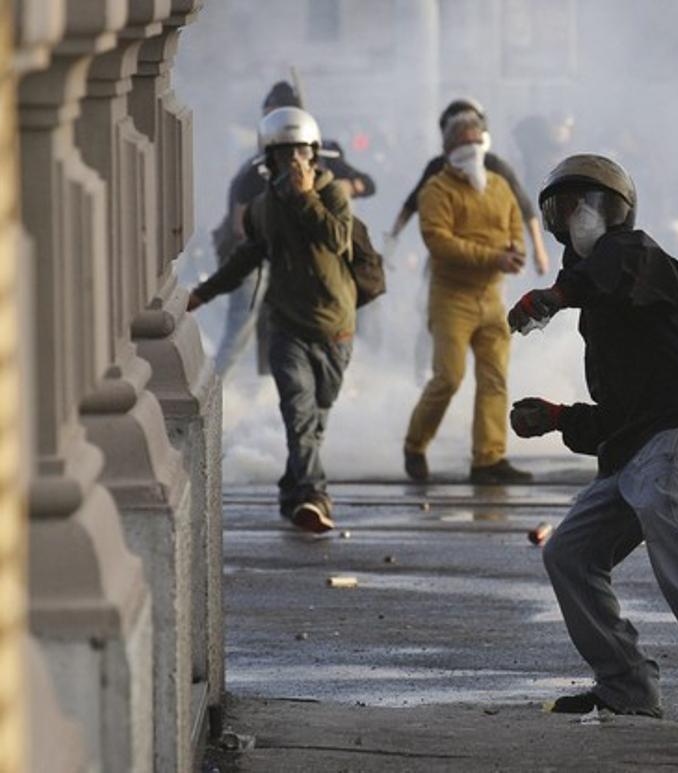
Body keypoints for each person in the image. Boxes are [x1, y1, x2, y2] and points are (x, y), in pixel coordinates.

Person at [506, 154, 678, 718]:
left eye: (584, 203)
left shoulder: (638, 257)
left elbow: (613, 267)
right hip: (642, 441)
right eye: (562, 207)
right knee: (569, 552)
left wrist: (554, 298)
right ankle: (626, 684)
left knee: (659, 496)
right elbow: (620, 417)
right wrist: (557, 417)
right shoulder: (601, 311)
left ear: (616, 210)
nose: (572, 217)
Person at [188, 107, 355, 534]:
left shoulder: (333, 194)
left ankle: (291, 490)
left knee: (315, 420)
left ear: (315, 154)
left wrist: (306, 197)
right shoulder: (263, 207)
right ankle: (316, 496)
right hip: (287, 330)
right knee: (298, 416)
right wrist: (203, 292)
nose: (294, 163)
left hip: (336, 327)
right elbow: (248, 256)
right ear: (270, 160)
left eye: (301, 153)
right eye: (284, 155)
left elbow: (336, 239)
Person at [211, 80, 375, 377]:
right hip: (263, 256)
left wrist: (338, 188)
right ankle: (218, 386)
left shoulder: (326, 155)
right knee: (246, 326)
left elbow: (367, 184)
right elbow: (239, 224)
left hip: (316, 255)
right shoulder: (258, 168)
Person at [402, 113, 533, 485]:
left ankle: (488, 459)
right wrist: (495, 257)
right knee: (449, 377)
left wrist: (515, 252)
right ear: (448, 148)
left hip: (493, 297)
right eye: (464, 141)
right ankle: (415, 443)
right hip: (451, 299)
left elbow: (515, 230)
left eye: (477, 140)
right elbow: (440, 243)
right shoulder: (437, 191)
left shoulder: (499, 187)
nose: (472, 148)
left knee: (494, 379)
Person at [387, 98, 550, 275]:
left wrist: (538, 250)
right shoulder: (438, 168)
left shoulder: (495, 167)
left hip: (490, 260)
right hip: (448, 264)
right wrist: (392, 241)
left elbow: (525, 209)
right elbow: (411, 206)